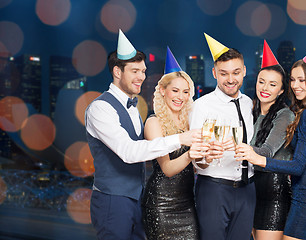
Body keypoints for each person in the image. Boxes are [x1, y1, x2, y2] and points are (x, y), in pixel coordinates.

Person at [85, 30, 198, 240]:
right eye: (135, 71)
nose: (141, 77)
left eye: (144, 71)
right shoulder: (100, 108)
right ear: (117, 72)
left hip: (139, 198)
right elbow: (128, 152)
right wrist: (181, 140)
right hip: (113, 200)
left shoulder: (133, 108)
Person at [235, 37, 306, 240]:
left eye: (302, 80)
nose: (296, 85)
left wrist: (258, 159)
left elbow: (298, 166)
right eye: (293, 79)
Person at [188, 33, 255, 240]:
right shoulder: (202, 106)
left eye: (236, 72)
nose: (231, 79)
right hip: (214, 189)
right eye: (224, 73)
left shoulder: (249, 103)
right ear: (214, 73)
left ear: (244, 71)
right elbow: (195, 156)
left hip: (248, 188)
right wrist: (206, 158)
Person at [141, 47, 211, 240]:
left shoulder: (191, 121)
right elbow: (167, 169)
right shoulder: (153, 123)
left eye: (186, 92)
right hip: (161, 205)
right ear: (163, 91)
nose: (180, 97)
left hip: (187, 204)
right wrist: (190, 154)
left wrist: (208, 157)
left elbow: (200, 165)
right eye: (175, 90)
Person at [250, 40, 294, 240]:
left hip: (274, 191)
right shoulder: (250, 111)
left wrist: (237, 149)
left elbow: (267, 152)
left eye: (273, 84)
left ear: (281, 90)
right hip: (251, 191)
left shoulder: (285, 115)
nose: (265, 88)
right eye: (262, 81)